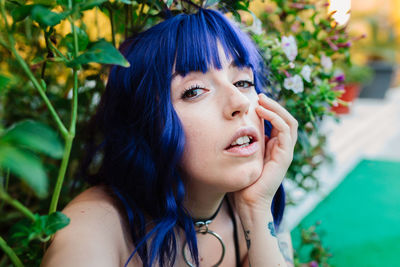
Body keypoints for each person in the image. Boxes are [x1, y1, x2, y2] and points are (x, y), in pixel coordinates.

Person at [41, 8, 297, 267]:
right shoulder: (92, 230)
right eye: (194, 90)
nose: (239, 101)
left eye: (243, 82)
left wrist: (256, 210)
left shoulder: (257, 200)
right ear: (147, 122)